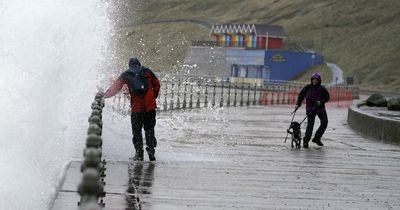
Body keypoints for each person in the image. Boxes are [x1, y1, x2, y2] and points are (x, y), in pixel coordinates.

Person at [103, 58, 160, 161]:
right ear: (139, 64)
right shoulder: (147, 71)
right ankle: (151, 151)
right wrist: (153, 97)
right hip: (150, 107)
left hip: (137, 109)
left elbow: (116, 87)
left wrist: (105, 95)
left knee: (137, 132)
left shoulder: (127, 74)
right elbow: (157, 84)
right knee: (149, 129)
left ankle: (139, 154)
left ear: (129, 65)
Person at [295, 72, 330, 148]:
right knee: (310, 126)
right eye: (313, 79)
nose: (314, 81)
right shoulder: (307, 87)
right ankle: (305, 141)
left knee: (325, 122)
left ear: (319, 80)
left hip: (320, 109)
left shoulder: (322, 88)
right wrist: (298, 104)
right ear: (311, 80)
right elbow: (301, 96)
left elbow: (327, 98)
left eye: (316, 80)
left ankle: (317, 138)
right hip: (310, 109)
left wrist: (321, 102)